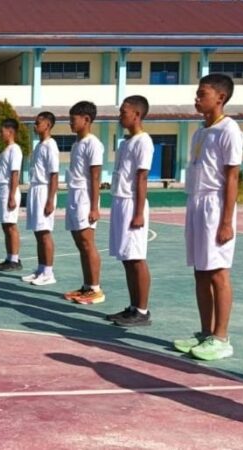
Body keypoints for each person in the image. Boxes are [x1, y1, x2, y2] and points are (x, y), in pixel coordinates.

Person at [173, 74, 243, 357]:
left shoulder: (229, 130)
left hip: (216, 205)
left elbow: (232, 178)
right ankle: (205, 332)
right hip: (197, 202)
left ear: (220, 98)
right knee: (200, 272)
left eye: (203, 94)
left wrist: (226, 221)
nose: (197, 98)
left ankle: (222, 337)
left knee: (218, 273)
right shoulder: (201, 131)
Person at [104, 96, 154, 327]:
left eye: (124, 112)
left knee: (136, 258)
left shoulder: (144, 142)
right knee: (126, 257)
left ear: (137, 114)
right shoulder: (126, 142)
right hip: (119, 201)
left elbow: (141, 177)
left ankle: (142, 310)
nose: (120, 115)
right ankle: (133, 307)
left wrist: (139, 212)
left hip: (132, 203)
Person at [63, 101, 105, 305]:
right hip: (74, 194)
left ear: (86, 120)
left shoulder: (93, 144)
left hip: (85, 197)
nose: (70, 123)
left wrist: (94, 207)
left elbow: (95, 177)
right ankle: (87, 285)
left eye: (73, 119)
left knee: (88, 243)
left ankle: (96, 289)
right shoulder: (76, 144)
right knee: (80, 243)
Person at [22, 112, 60, 286]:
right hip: (35, 188)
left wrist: (50, 200)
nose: (35, 126)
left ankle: (49, 273)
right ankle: (41, 268)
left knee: (45, 233)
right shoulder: (39, 146)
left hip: (44, 190)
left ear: (48, 125)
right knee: (38, 233)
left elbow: (54, 175)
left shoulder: (51, 146)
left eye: (38, 123)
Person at [0, 119, 23, 272]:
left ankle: (15, 259)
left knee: (11, 226)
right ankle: (9, 257)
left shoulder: (15, 150)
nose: (0, 134)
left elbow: (15, 173)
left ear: (10, 131)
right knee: (5, 226)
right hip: (2, 190)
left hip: (8, 191)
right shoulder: (6, 150)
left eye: (2, 131)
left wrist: (12, 195)